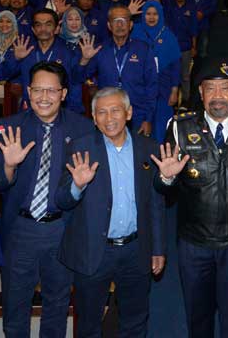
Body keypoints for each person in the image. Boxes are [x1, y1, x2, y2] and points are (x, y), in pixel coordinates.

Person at [152, 60, 228, 338]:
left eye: (225, 88)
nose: (218, 96)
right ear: (201, 93)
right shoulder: (180, 128)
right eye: (210, 88)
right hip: (194, 244)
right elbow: (162, 189)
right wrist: (167, 177)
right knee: (198, 318)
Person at [56, 87, 166, 337]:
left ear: (128, 113)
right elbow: (61, 200)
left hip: (135, 249)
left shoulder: (148, 147)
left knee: (135, 320)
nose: (109, 118)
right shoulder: (80, 148)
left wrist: (158, 248)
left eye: (115, 110)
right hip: (94, 250)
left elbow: (155, 204)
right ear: (94, 118)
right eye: (101, 113)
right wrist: (77, 186)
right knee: (88, 322)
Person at [0, 62, 91, 337]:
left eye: (51, 90)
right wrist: (9, 166)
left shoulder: (82, 129)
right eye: (38, 89)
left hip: (62, 228)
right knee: (15, 306)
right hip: (20, 230)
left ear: (63, 93)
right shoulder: (9, 127)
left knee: (57, 304)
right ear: (28, 91)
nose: (44, 97)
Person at [0, 8, 99, 113]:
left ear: (57, 28)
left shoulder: (69, 51)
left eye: (48, 24)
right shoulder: (24, 49)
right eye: (38, 25)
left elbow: (78, 79)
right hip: (31, 111)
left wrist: (84, 60)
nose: (43, 29)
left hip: (64, 111)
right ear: (33, 29)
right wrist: (15, 59)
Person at [85, 5, 158, 137]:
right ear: (109, 25)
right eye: (115, 20)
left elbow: (152, 85)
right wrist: (84, 60)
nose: (119, 24)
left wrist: (148, 119)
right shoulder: (99, 49)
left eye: (123, 20)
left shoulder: (143, 49)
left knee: (137, 155)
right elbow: (80, 77)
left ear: (130, 25)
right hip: (108, 115)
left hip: (137, 113)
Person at [133, 0, 181, 141]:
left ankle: (161, 156)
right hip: (140, 87)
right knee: (140, 124)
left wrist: (174, 90)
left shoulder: (168, 35)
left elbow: (176, 65)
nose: (151, 17)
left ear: (160, 15)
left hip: (163, 87)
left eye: (155, 14)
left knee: (162, 125)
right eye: (148, 14)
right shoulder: (134, 31)